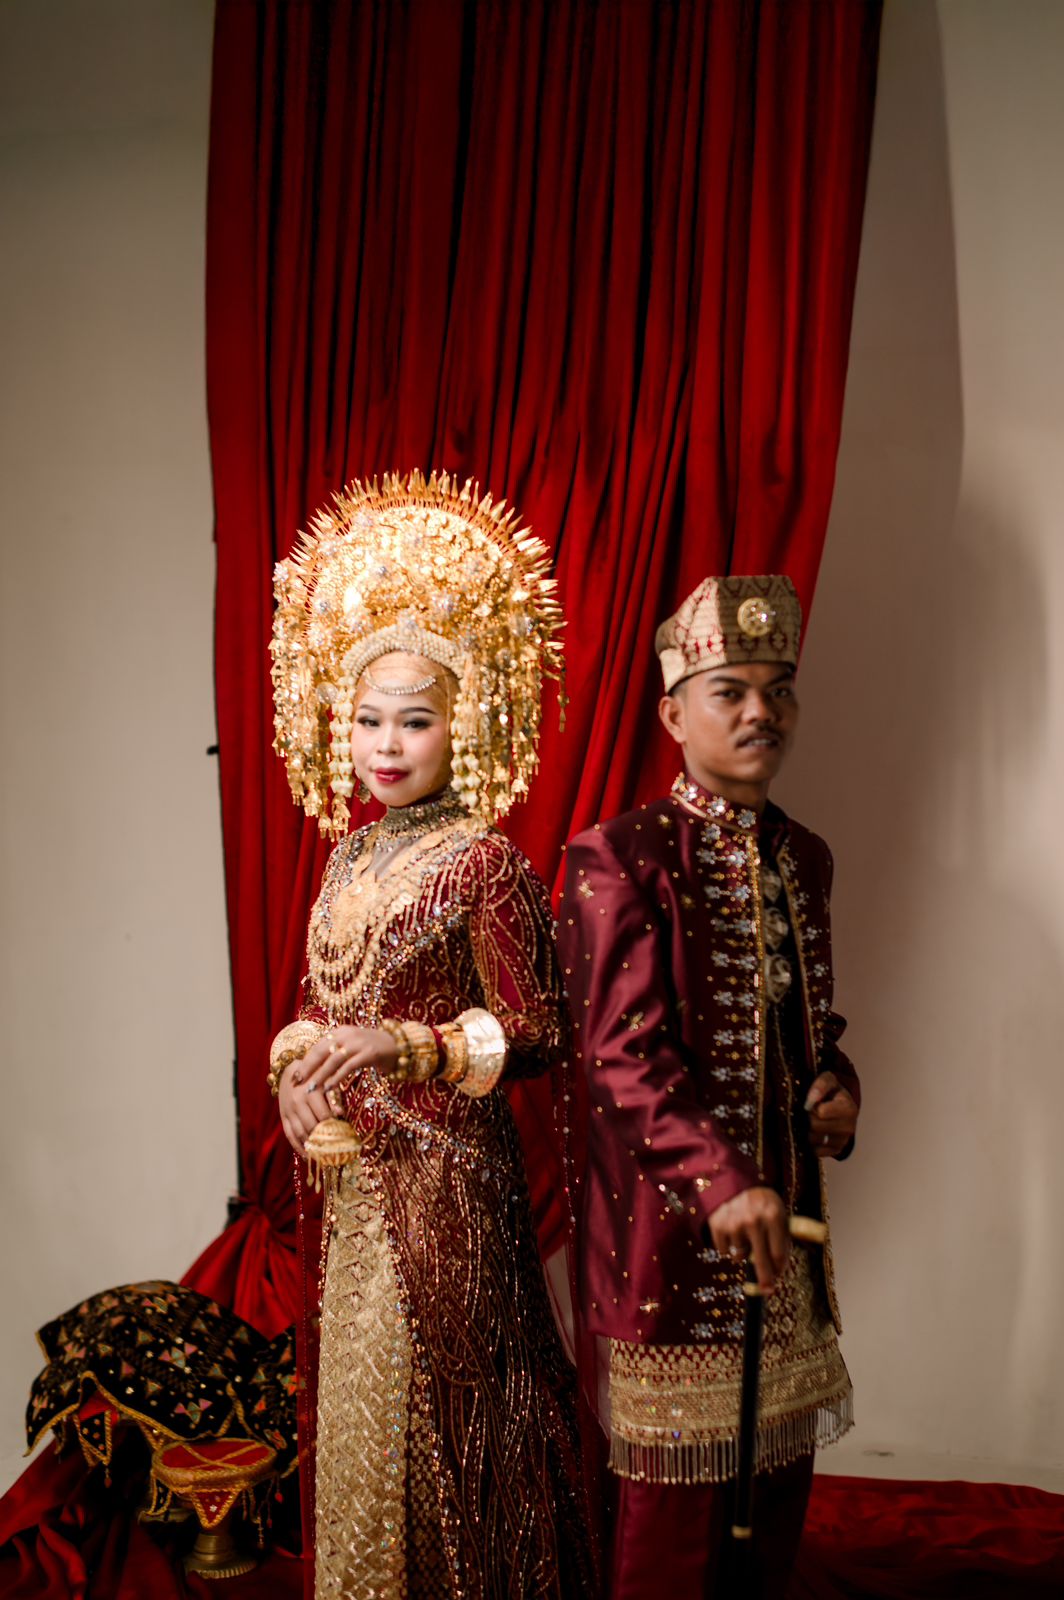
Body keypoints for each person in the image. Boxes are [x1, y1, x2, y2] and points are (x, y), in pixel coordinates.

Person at [267, 471, 594, 1599]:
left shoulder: (485, 863)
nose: (387, 743)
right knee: (358, 1422)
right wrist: (295, 1073)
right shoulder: (348, 857)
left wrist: (404, 1047)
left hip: (449, 1189)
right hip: (351, 1190)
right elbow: (320, 1006)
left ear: (468, 724)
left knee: (457, 1428)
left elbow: (540, 1030)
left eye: (416, 718)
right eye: (368, 719)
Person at [558, 575, 859, 1599]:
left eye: (779, 690)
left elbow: (812, 1027)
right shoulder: (619, 856)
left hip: (787, 1243)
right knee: (671, 1530)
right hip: (665, 1244)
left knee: (771, 1505)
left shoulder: (804, 857)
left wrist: (837, 1087)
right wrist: (721, 1178)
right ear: (672, 714)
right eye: (729, 691)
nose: (760, 712)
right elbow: (619, 1056)